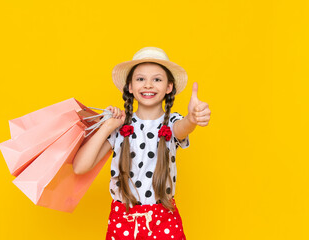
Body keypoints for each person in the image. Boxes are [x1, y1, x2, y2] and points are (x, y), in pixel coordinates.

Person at [73, 47, 211, 240]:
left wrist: (192, 118)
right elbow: (80, 167)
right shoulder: (119, 127)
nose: (148, 85)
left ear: (169, 87)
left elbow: (183, 127)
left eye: (157, 79)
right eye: (140, 79)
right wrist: (107, 126)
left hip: (164, 222)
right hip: (123, 221)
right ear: (130, 87)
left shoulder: (172, 123)